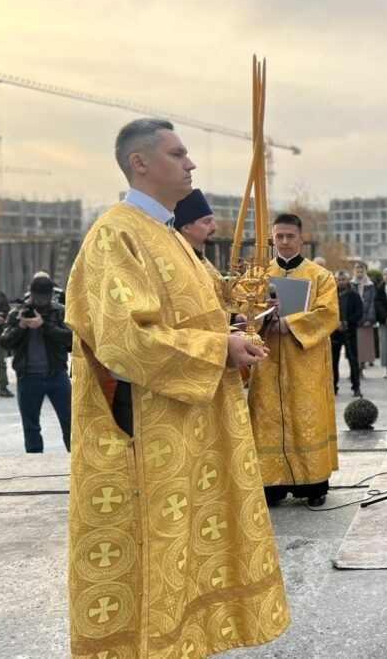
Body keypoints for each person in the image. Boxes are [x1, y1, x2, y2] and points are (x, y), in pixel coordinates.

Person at [65, 118, 287, 657]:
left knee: (191, 550)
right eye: (178, 153)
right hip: (150, 435)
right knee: (157, 557)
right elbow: (124, 339)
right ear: (140, 163)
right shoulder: (115, 234)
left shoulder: (170, 238)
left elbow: (201, 317)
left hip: (192, 427)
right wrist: (220, 349)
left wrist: (233, 333)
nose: (191, 164)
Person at [249, 213, 340, 508]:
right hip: (269, 357)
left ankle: (313, 483)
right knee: (268, 414)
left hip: (306, 360)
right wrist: (263, 316)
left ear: (301, 238)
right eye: (279, 236)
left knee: (307, 415)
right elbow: (244, 312)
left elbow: (328, 314)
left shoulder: (320, 275)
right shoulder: (259, 274)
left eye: (290, 236)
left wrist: (289, 324)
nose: (285, 242)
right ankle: (272, 484)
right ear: (272, 239)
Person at [1, 275, 72, 452]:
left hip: (57, 374)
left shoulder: (59, 311)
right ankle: (34, 460)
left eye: (45, 298)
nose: (41, 302)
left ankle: (74, 460)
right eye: (38, 298)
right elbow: (5, 342)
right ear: (31, 294)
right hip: (28, 377)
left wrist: (44, 325)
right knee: (31, 426)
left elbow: (71, 339)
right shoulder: (17, 313)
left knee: (70, 421)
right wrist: (21, 327)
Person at [333, 270, 363, 396]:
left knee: (353, 360)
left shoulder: (354, 295)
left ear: (348, 279)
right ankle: (333, 386)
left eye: (343, 280)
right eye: (339, 280)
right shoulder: (331, 295)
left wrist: (347, 322)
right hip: (334, 332)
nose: (341, 282)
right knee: (333, 360)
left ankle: (356, 386)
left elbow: (359, 312)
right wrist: (336, 323)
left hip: (350, 331)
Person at [351, 262, 377, 368]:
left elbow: (372, 302)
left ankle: (362, 365)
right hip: (355, 320)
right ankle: (356, 367)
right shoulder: (351, 284)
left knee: (365, 345)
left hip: (366, 319)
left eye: (361, 271)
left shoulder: (370, 285)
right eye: (357, 271)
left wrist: (370, 319)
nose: (359, 273)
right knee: (355, 345)